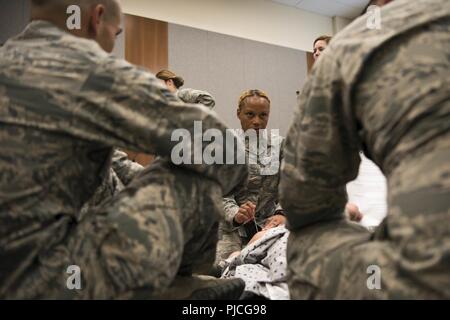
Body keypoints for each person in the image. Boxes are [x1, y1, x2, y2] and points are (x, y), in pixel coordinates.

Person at [0, 0, 247, 299]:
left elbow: (112, 172)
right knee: (197, 178)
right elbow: (224, 149)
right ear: (97, 17)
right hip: (52, 282)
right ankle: (178, 282)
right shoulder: (86, 68)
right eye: (115, 36)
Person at [280, 0, 450, 299]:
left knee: (308, 234)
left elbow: (305, 204)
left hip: (423, 268)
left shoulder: (352, 49)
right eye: (315, 51)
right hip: (368, 207)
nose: (319, 54)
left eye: (323, 49)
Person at [215, 89, 286, 269]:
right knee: (219, 268)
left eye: (263, 115)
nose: (257, 121)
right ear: (238, 114)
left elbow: (291, 185)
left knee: (280, 265)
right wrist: (236, 215)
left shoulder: (281, 145)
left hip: (269, 224)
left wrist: (281, 213)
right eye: (250, 114)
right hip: (232, 228)